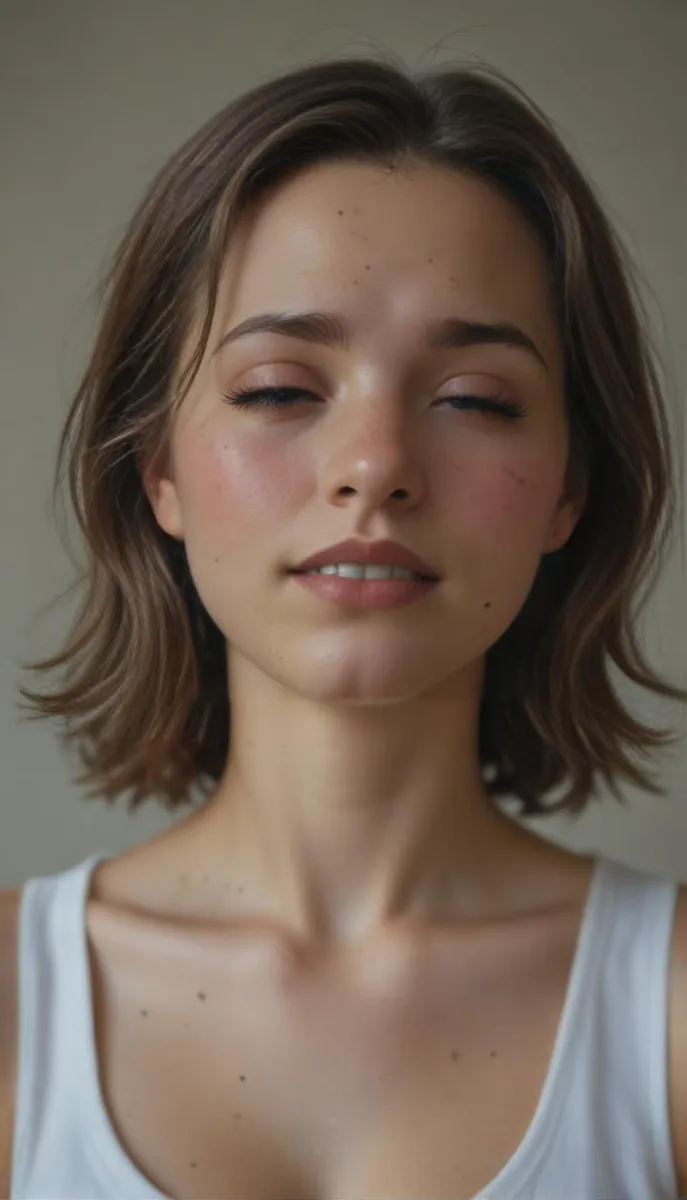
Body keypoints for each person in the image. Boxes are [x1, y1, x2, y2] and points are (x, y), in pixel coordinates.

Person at [0, 51, 685, 1200]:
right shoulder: (11, 1013)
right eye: (279, 389)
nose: (375, 466)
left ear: (572, 486)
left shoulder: (668, 1020)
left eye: (474, 398)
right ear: (157, 468)